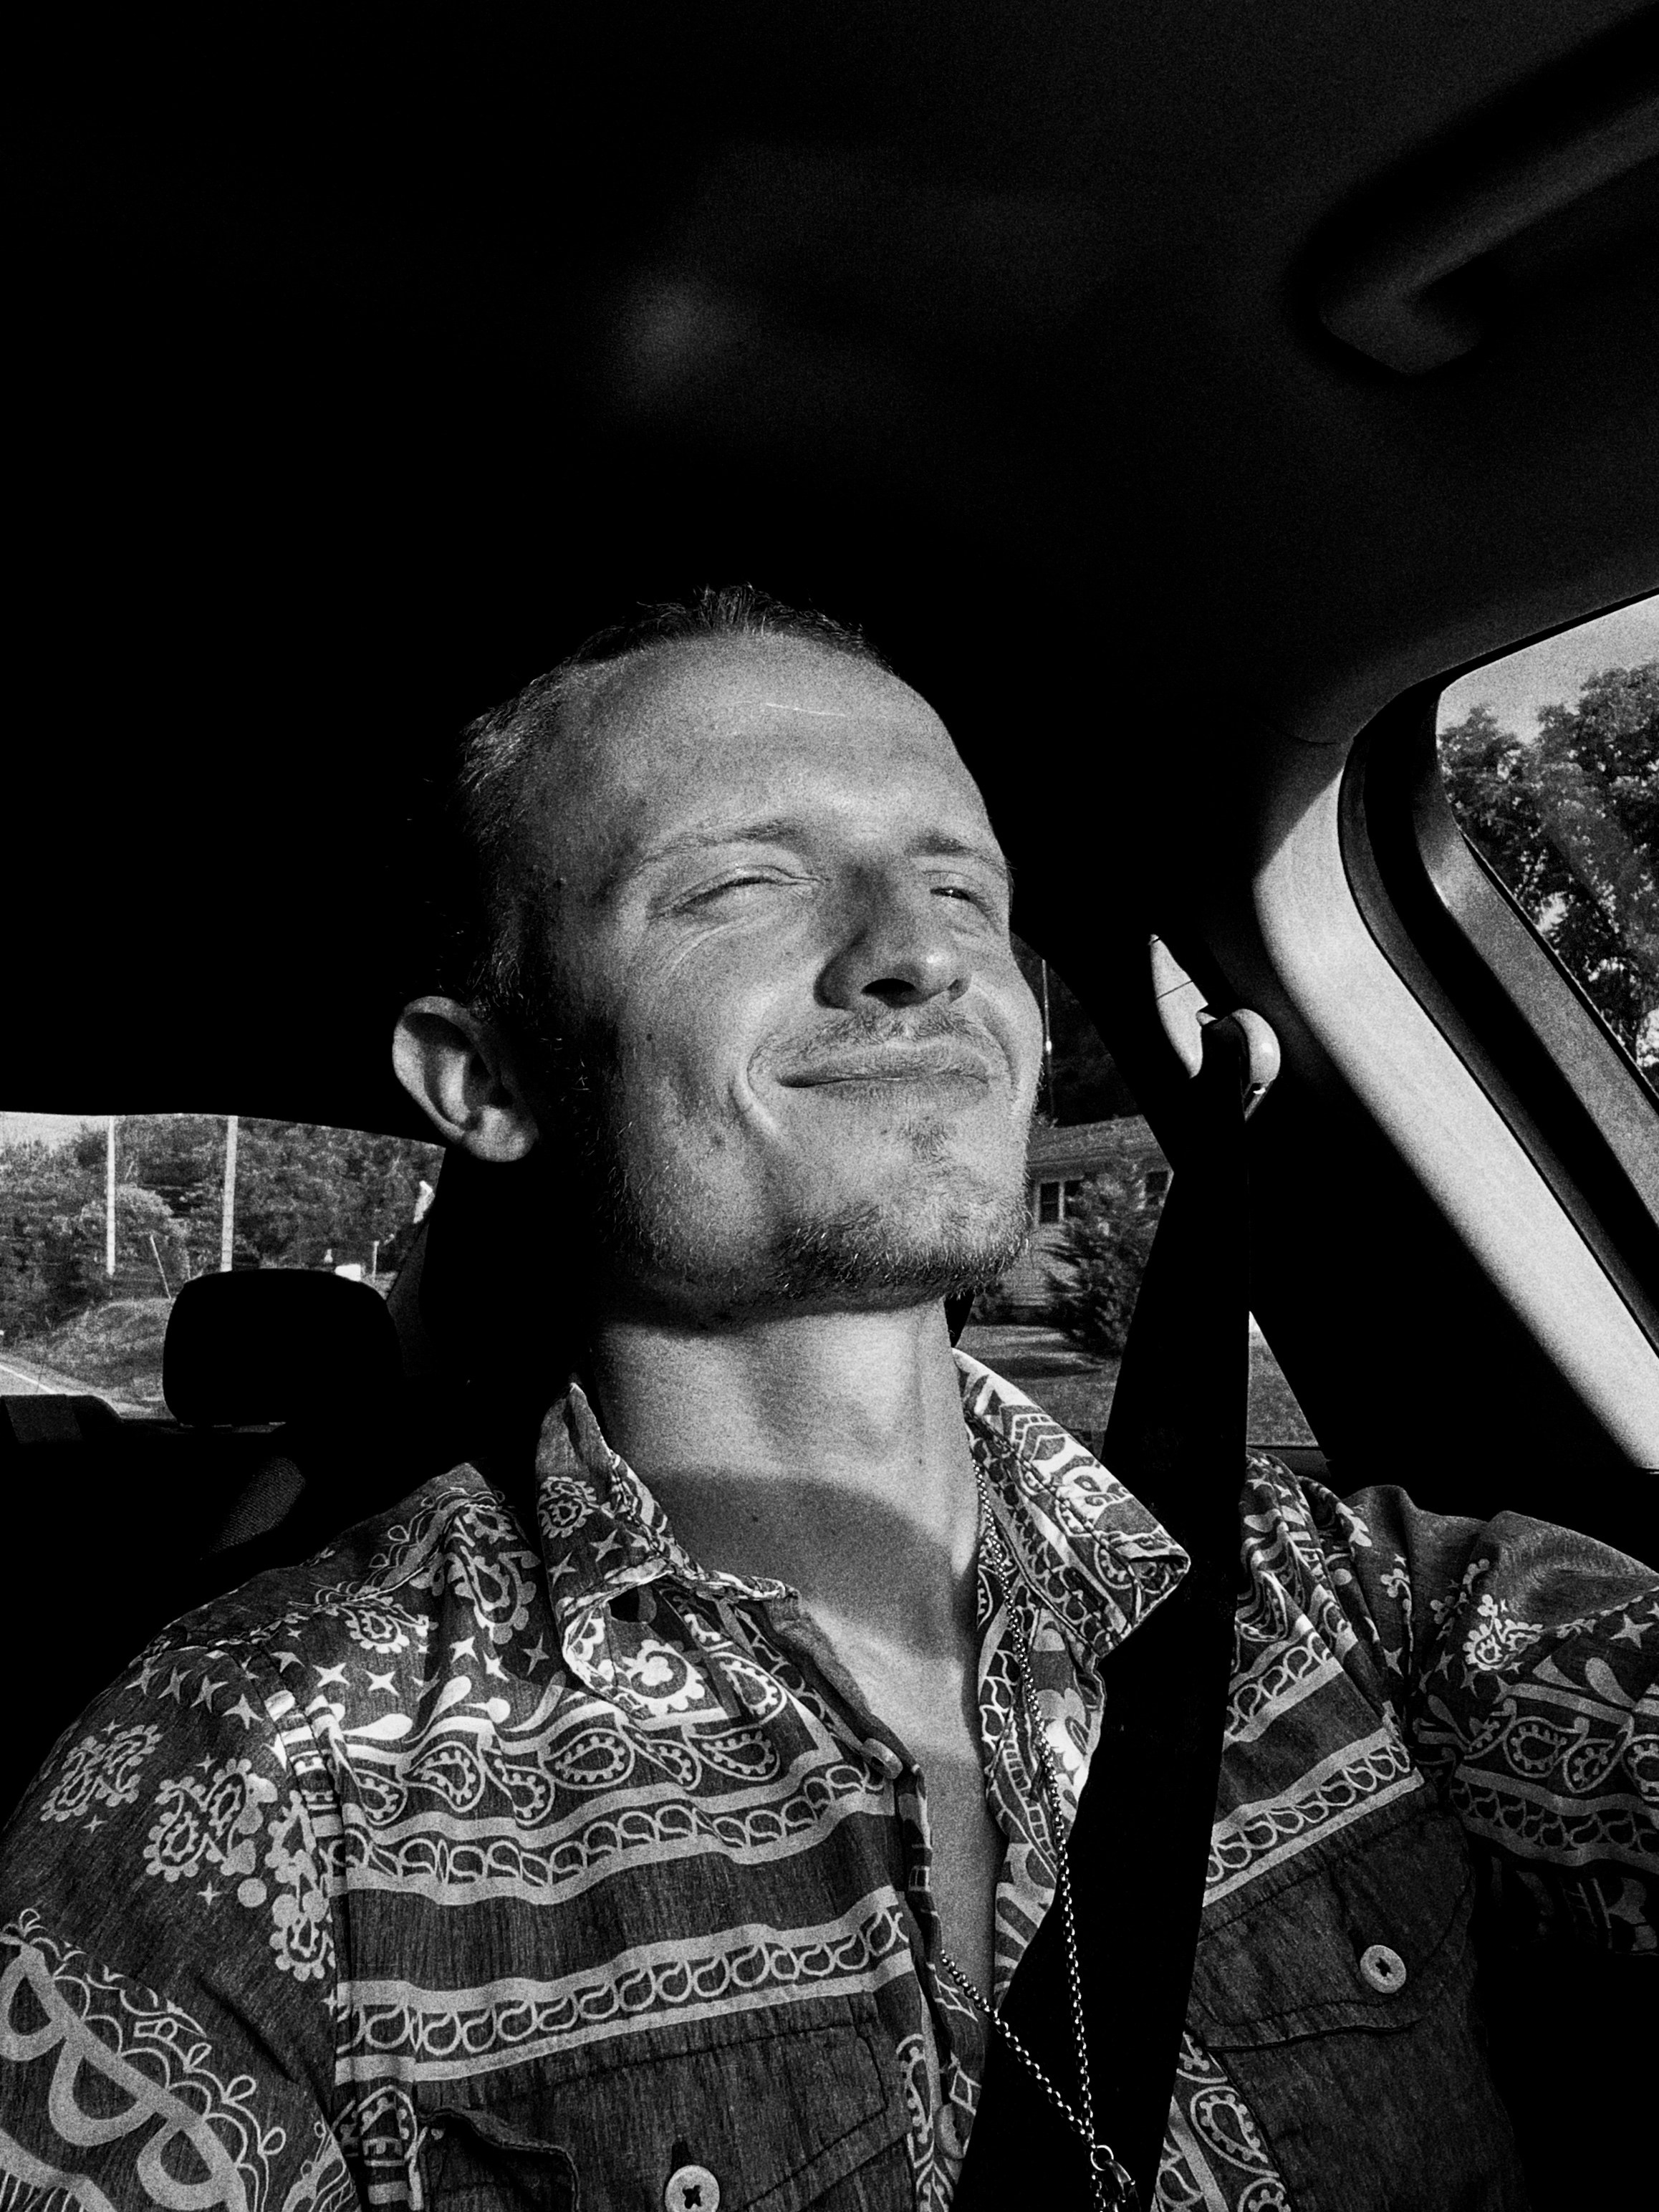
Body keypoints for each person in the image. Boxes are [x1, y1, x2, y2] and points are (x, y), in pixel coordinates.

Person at [1, 587, 1655, 2212]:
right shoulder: (250, 1779)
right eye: (741, 884)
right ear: (485, 1079)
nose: (920, 951)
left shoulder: (1357, 1606)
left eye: (964, 885)